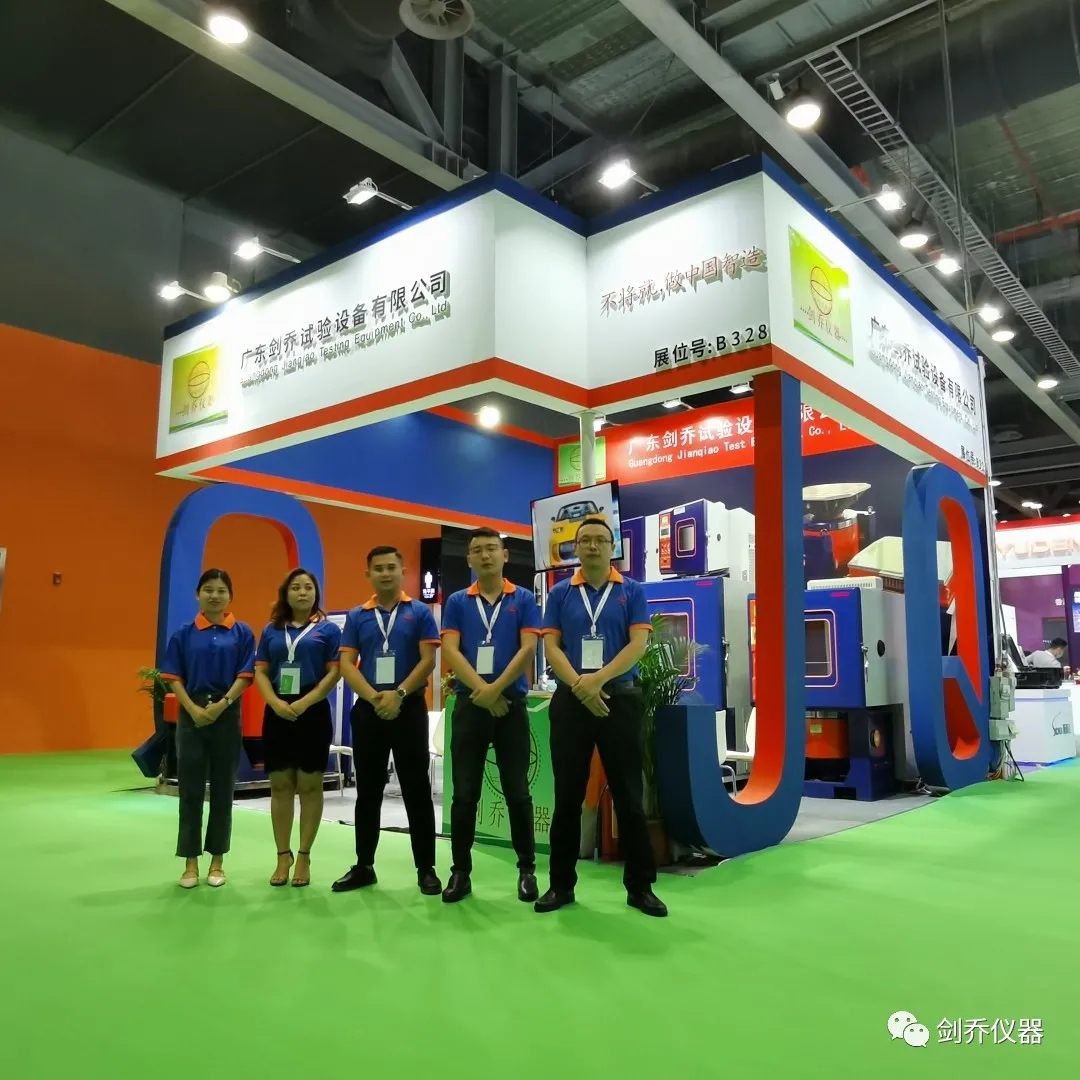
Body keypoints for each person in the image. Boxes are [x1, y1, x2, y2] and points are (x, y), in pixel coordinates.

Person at [536, 517, 667, 918]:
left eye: (600, 540)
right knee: (567, 798)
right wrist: (581, 685)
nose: (592, 546)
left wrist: (597, 681)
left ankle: (640, 887)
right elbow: (551, 648)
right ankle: (560, 885)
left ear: (613, 548)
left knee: (629, 796)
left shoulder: (632, 591)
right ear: (575, 549)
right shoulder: (559, 593)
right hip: (571, 701)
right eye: (585, 541)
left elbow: (638, 645)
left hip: (619, 701)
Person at [440, 528, 543, 904]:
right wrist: (483, 694)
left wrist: (495, 690)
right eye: (477, 551)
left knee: (518, 792)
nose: (484, 556)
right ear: (468, 558)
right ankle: (460, 872)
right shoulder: (457, 601)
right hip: (471, 707)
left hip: (510, 707)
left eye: (491, 549)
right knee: (464, 794)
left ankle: (527, 870)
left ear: (505, 556)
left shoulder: (524, 599)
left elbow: (528, 648)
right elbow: (451, 650)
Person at [333, 546, 443, 896]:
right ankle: (364, 866)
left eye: (391, 567)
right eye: (378, 568)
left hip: (408, 708)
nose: (385, 573)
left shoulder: (420, 612)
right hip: (369, 711)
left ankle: (426, 868)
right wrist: (375, 697)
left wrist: (398, 694)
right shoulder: (357, 616)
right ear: (368, 574)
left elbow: (428, 661)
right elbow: (347, 664)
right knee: (367, 792)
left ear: (402, 571)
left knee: (416, 790)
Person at [161, 569, 256, 889]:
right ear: (198, 594)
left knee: (223, 790)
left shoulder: (242, 633)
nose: (215, 596)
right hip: (191, 715)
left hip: (227, 715)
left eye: (221, 591)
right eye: (208, 590)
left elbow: (245, 675)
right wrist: (192, 709)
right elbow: (174, 677)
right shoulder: (184, 634)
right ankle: (190, 863)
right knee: (190, 790)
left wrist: (222, 704)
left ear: (230, 596)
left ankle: (217, 861)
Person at [253, 568, 342, 888]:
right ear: (285, 593)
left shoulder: (328, 630)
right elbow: (261, 671)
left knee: (309, 785)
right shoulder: (271, 630)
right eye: (296, 587)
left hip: (313, 711)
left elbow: (335, 672)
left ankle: (304, 855)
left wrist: (306, 702)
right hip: (277, 711)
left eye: (308, 587)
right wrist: (274, 702)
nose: (302, 593)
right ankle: (283, 855)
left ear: (316, 593)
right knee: (279, 785)